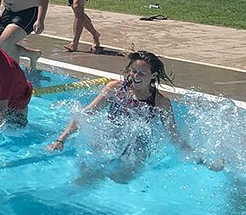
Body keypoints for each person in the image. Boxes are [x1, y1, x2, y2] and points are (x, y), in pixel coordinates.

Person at [48, 51, 223, 181]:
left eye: (141, 73)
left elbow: (174, 135)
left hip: (139, 145)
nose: (135, 76)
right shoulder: (115, 89)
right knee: (87, 172)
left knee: (122, 180)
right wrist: (61, 139)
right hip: (112, 138)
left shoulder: (160, 102)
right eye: (133, 71)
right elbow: (86, 113)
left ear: (153, 76)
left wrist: (202, 161)